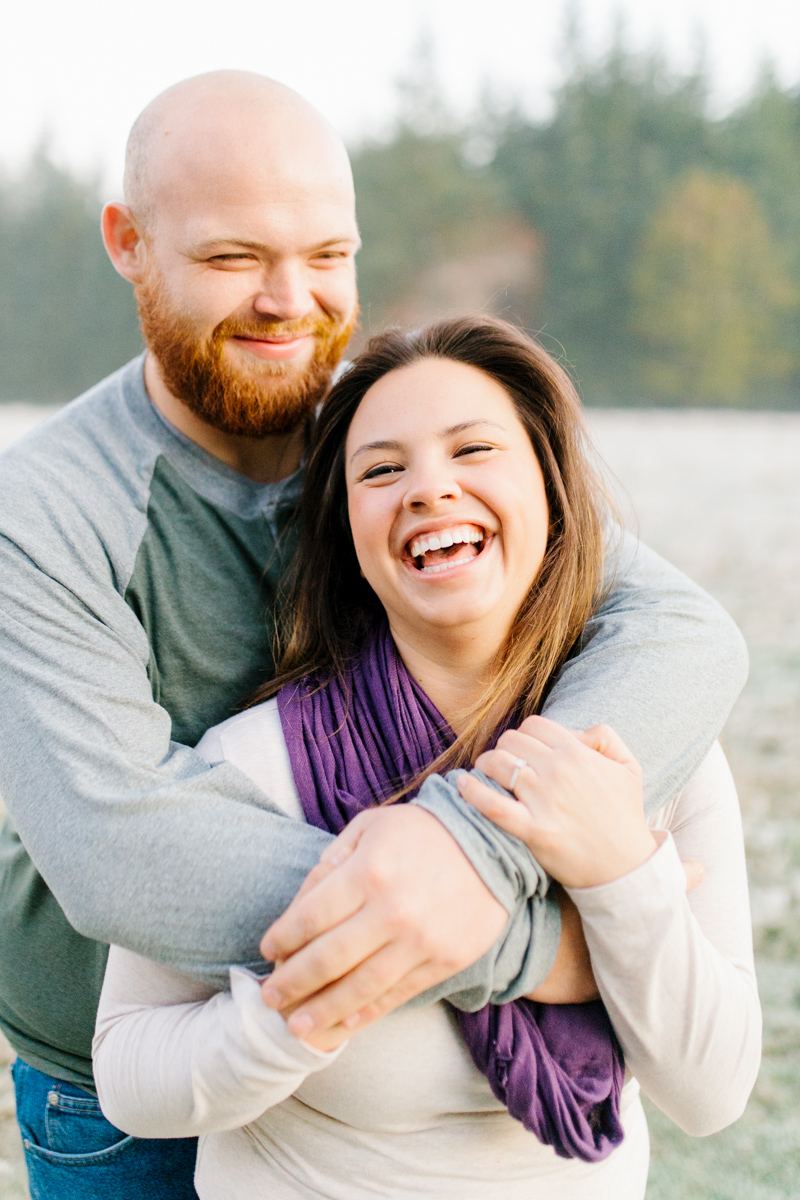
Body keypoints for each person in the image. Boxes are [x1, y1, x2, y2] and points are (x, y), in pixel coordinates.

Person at [0, 73, 746, 1200]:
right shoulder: (46, 512)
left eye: (326, 254)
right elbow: (122, 852)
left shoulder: (398, 435)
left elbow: (679, 629)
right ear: (128, 243)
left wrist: (466, 853)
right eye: (229, 257)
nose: (286, 298)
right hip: (124, 1074)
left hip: (401, 1081)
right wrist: (526, 945)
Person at [92, 317, 761, 1200]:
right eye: (381, 469)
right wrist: (322, 994)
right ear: (347, 532)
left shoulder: (645, 755)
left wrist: (619, 876)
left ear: (554, 492)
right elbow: (130, 1071)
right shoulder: (251, 770)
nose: (429, 489)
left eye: (473, 449)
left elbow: (711, 1093)